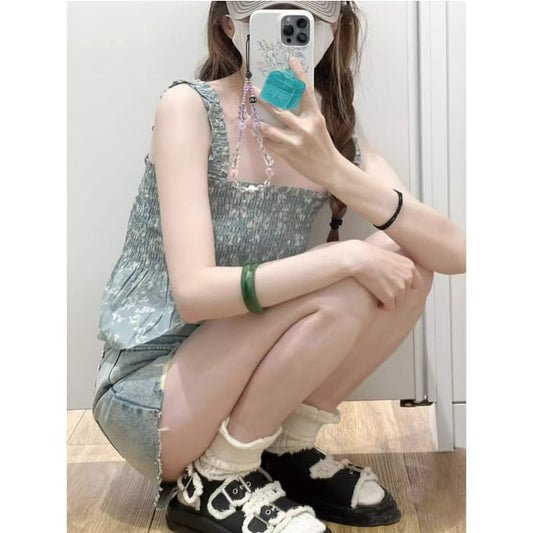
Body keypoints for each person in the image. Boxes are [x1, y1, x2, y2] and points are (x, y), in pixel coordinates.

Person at [92, 2, 466, 532]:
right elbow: (195, 294)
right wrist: (341, 255)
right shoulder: (189, 108)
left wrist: (334, 168)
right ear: (230, 25)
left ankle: (284, 450)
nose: (294, 26)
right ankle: (216, 478)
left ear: (334, 28)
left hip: (246, 384)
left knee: (406, 260)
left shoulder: (333, 132)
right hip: (159, 397)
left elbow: (452, 253)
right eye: (270, 12)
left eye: (310, 14)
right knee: (345, 282)